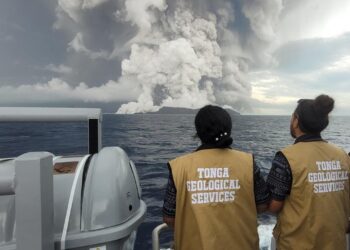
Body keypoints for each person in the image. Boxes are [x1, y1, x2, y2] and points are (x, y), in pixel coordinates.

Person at [162, 105, 270, 250]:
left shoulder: (179, 167)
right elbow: (263, 204)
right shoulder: (248, 162)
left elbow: (169, 217)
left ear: (198, 132)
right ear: (229, 129)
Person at [267, 94, 350, 250]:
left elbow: (273, 206)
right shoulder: (343, 156)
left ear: (296, 120)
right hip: (335, 243)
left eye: (292, 117)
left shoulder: (286, 158)